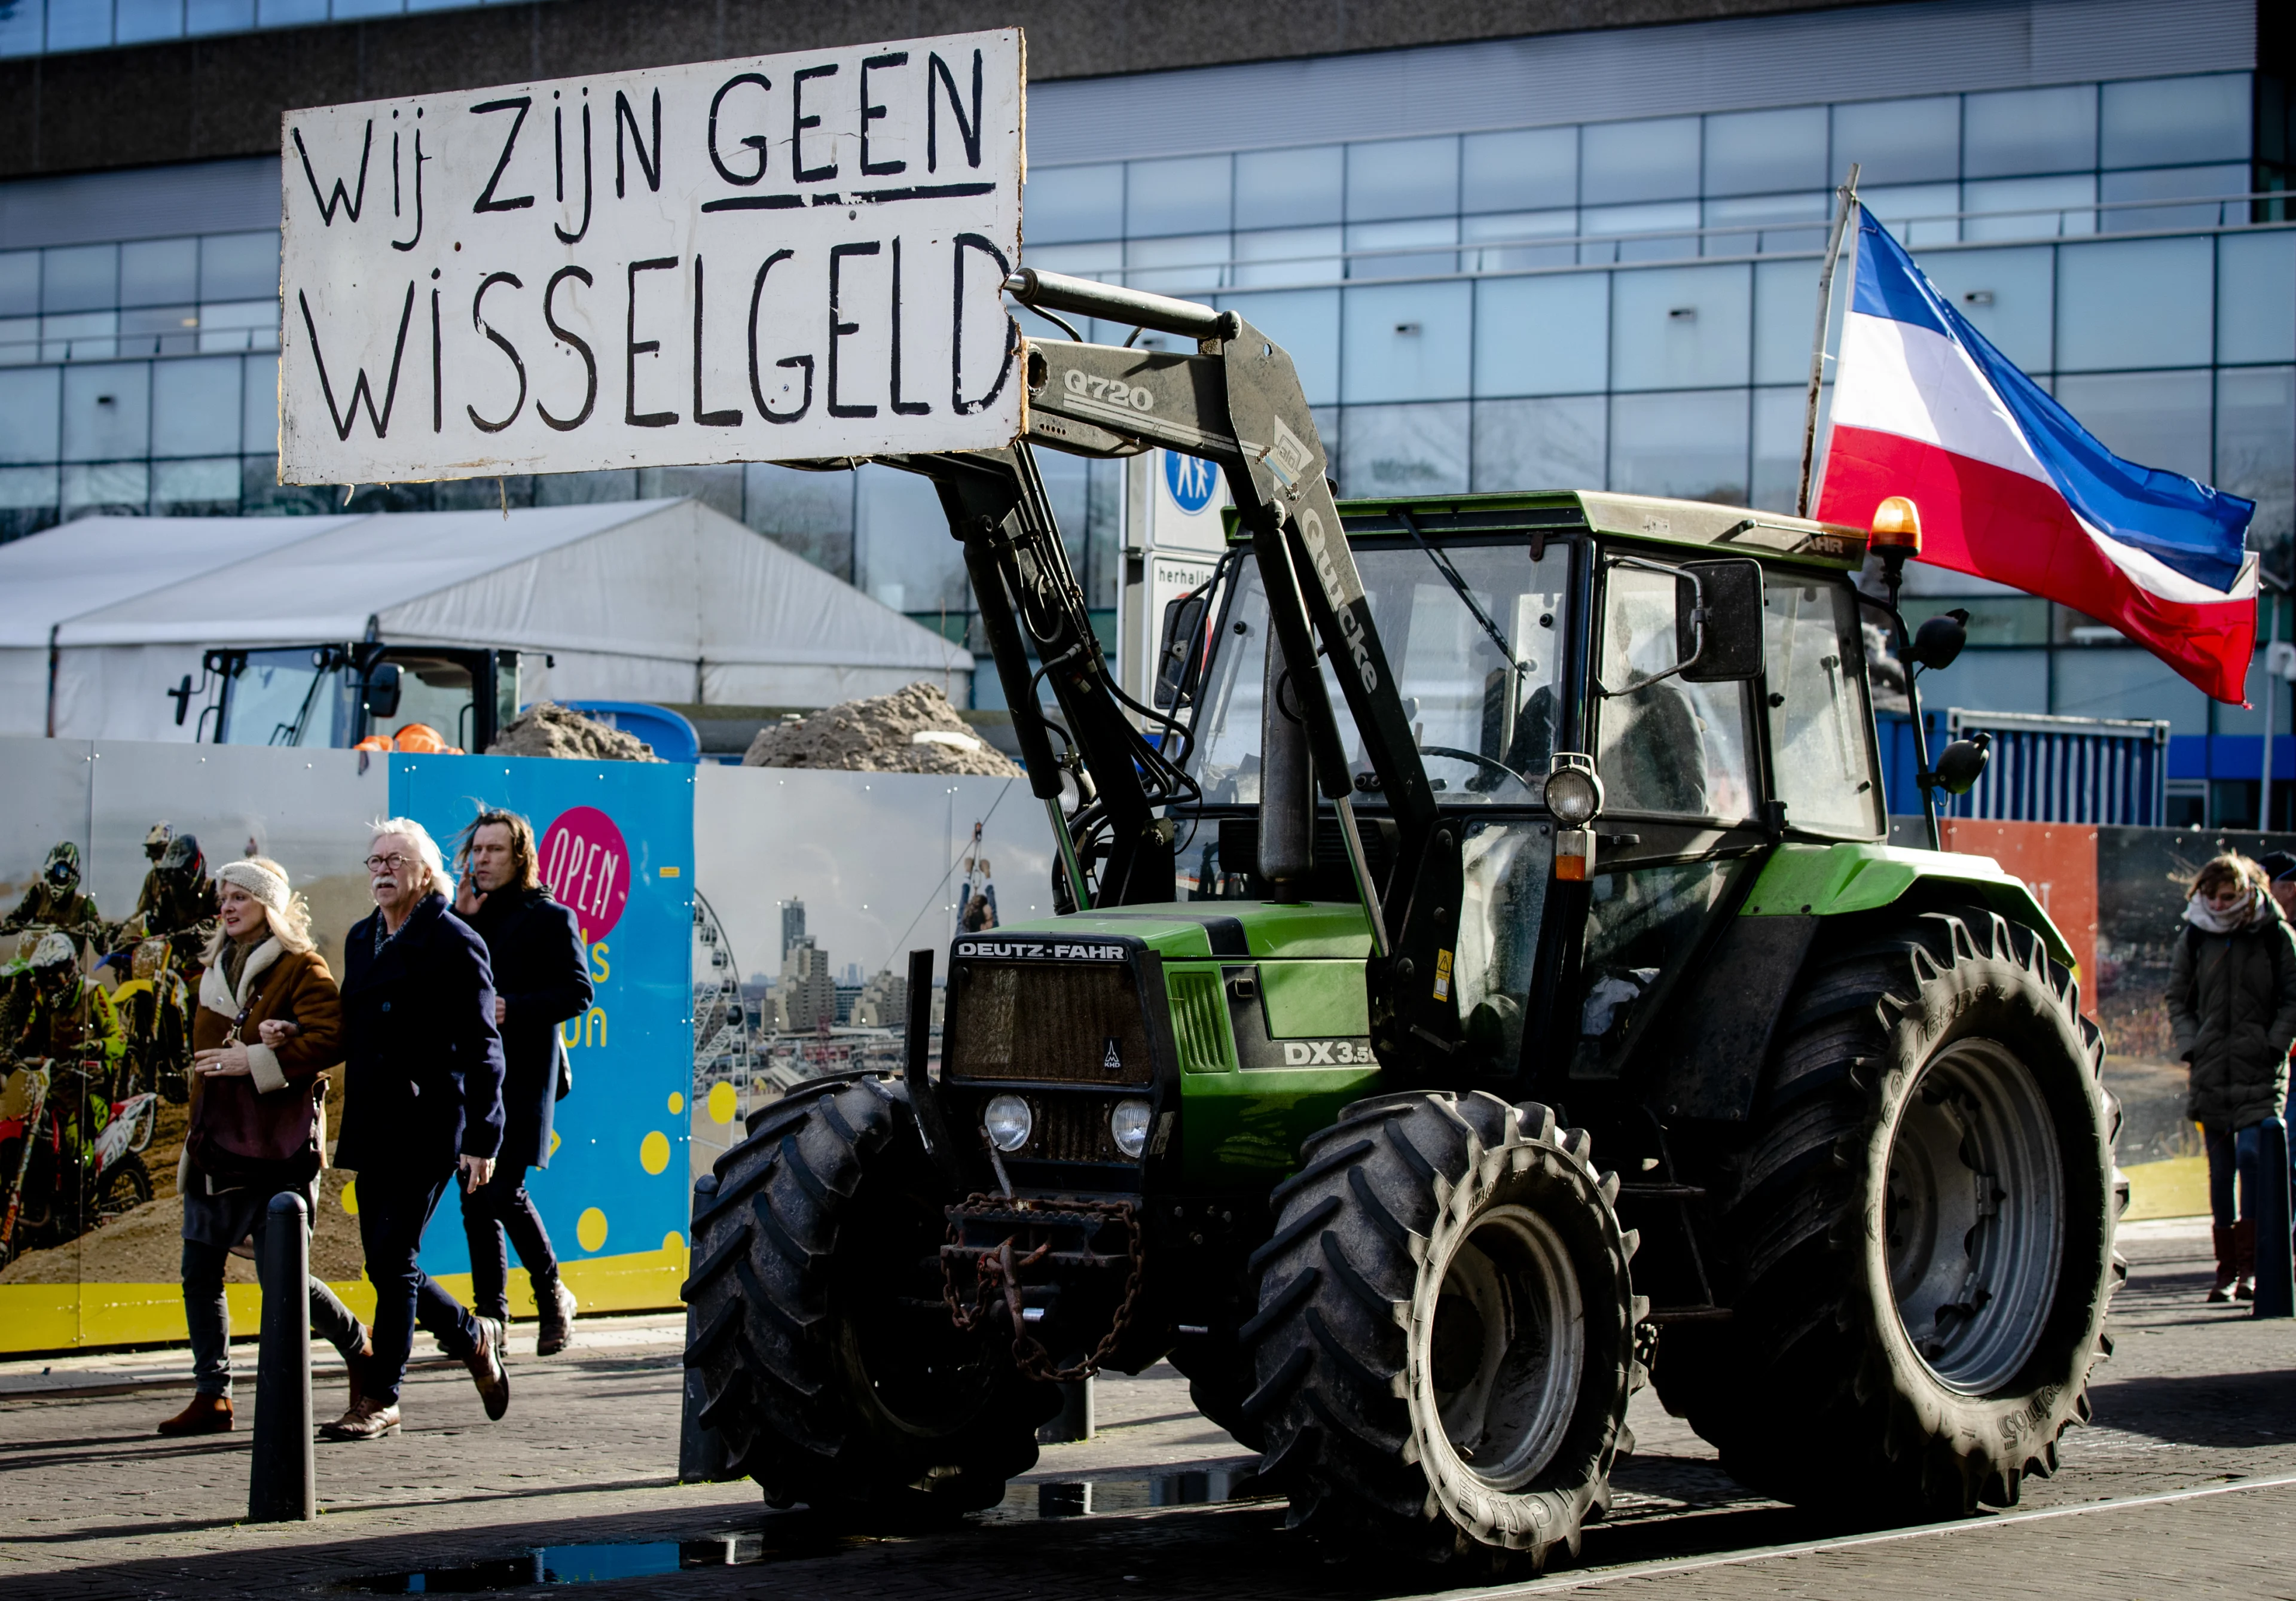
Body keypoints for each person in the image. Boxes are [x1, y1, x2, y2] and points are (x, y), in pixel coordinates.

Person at [157, 858, 371, 1436]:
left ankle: (360, 1345)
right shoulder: (213, 968)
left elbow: (334, 1038)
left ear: (269, 906)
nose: (227, 907)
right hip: (215, 1142)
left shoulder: (302, 964)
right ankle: (213, 1394)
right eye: (224, 897)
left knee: (284, 1279)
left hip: (274, 1146)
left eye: (241, 897)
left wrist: (258, 1057)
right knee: (199, 1270)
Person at [326, 818, 509, 1441]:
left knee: (393, 1255)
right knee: (384, 1265)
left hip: (429, 1123)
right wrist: (292, 1036)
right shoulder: (361, 937)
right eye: (375, 860)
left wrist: (483, 1137)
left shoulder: (455, 940)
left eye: (395, 860)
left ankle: (382, 1397)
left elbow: (485, 1047)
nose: (382, 870)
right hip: (372, 1121)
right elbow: (349, 1024)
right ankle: (471, 1335)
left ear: (425, 873)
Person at [451, 810, 592, 1356]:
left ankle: (552, 1293)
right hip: (471, 1073)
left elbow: (578, 992)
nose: (483, 859)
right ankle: (492, 1320)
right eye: (477, 849)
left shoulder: (550, 916)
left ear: (520, 857)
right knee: (474, 1194)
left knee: (503, 1188)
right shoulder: (465, 913)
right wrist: (458, 918)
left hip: (524, 1073)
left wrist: (516, 1007)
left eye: (495, 850)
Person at [2167, 852, 2296, 1303]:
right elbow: (2178, 998)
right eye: (2212, 897)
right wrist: (2191, 1045)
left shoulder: (2274, 933)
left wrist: (2274, 1044)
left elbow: (2293, 997)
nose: (2219, 905)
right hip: (2211, 1069)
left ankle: (2252, 1267)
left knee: (2253, 1157)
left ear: (2244, 892)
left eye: (2227, 896)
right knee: (2220, 1173)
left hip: (2260, 1068)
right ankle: (2225, 1270)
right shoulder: (2195, 934)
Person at [4, 841, 103, 934]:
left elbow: (103, 939)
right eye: (51, 874)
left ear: (73, 876)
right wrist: (10, 924)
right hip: (38, 945)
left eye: (62, 873)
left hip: (68, 946)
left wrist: (94, 930)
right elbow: (14, 919)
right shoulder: (39, 892)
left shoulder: (83, 903)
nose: (56, 881)